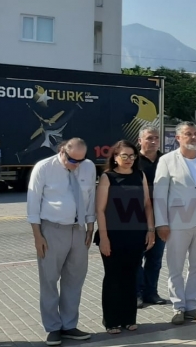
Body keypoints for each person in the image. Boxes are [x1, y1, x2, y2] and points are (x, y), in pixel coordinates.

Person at [153, 121, 196, 325]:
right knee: (175, 267)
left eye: (195, 133)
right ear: (178, 138)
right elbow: (159, 195)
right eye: (188, 134)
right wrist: (161, 223)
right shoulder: (167, 160)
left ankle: (192, 305)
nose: (193, 137)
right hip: (177, 223)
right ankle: (178, 307)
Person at [28, 138, 95, 346]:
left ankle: (69, 325)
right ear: (62, 151)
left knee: (74, 280)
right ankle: (53, 327)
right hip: (52, 230)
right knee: (49, 280)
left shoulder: (88, 167)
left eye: (80, 160)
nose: (75, 165)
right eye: (72, 160)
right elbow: (33, 203)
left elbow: (90, 196)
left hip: (79, 230)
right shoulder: (44, 167)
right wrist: (37, 236)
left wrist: (90, 226)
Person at [95, 140, 155, 334]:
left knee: (131, 277)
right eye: (124, 156)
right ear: (115, 157)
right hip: (113, 235)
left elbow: (147, 205)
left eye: (132, 156)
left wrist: (150, 230)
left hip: (136, 235)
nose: (129, 159)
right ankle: (111, 321)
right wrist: (104, 238)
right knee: (113, 278)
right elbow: (101, 210)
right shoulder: (108, 177)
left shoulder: (140, 175)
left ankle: (129, 318)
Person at [136, 126, 167, 308]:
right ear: (140, 140)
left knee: (155, 258)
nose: (153, 141)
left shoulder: (166, 160)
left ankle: (151, 292)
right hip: (137, 217)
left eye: (156, 138)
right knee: (137, 258)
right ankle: (137, 293)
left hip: (161, 216)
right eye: (149, 138)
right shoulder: (133, 160)